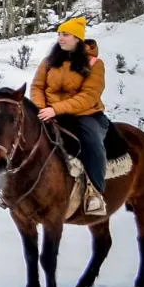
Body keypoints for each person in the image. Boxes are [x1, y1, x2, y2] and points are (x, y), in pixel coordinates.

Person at [29, 16, 109, 216]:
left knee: (92, 143)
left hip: (84, 114)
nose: (60, 39)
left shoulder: (94, 64)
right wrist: (40, 108)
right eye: (59, 34)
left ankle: (95, 192)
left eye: (65, 34)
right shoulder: (49, 61)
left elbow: (89, 96)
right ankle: (9, 188)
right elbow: (37, 86)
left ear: (78, 38)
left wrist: (56, 109)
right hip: (47, 111)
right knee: (20, 135)